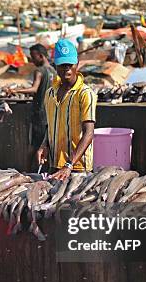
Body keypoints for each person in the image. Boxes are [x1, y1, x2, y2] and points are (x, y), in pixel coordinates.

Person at [37, 39, 96, 181]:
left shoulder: (85, 93)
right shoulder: (50, 93)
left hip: (78, 167)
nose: (67, 69)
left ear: (77, 64)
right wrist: (44, 145)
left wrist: (69, 165)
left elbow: (89, 133)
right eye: (63, 65)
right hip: (55, 164)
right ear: (55, 66)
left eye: (70, 65)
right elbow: (50, 126)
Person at [9, 44, 56, 171]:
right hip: (51, 113)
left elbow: (34, 89)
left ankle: (28, 172)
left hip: (40, 113)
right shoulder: (53, 71)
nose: (32, 60)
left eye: (33, 57)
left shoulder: (39, 71)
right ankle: (46, 172)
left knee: (35, 146)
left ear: (41, 56)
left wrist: (16, 91)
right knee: (47, 144)